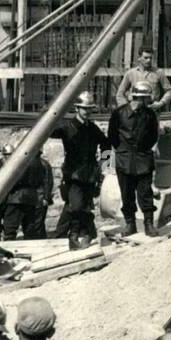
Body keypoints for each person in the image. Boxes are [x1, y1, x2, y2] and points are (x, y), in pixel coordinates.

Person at [51, 91, 108, 250]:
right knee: (76, 206)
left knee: (82, 206)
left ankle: (80, 235)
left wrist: (103, 164)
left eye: (90, 109)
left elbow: (106, 145)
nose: (87, 112)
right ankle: (77, 234)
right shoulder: (67, 127)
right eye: (84, 108)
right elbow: (49, 129)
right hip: (73, 175)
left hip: (90, 175)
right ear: (77, 108)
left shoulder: (93, 128)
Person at [107, 80, 160, 237]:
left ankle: (149, 224)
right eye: (146, 98)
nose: (148, 101)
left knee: (145, 193)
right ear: (139, 98)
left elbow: (153, 136)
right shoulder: (119, 113)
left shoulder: (149, 115)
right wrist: (123, 150)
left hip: (143, 159)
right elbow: (112, 136)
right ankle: (130, 224)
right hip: (124, 160)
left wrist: (141, 149)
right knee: (127, 194)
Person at [1, 151, 53, 241]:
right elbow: (44, 180)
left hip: (16, 196)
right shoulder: (40, 163)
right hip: (32, 196)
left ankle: (8, 247)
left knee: (10, 227)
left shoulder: (20, 162)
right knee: (30, 228)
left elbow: (15, 180)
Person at [115, 47, 171, 111]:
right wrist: (126, 109)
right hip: (135, 111)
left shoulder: (158, 72)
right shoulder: (130, 73)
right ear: (139, 58)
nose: (149, 60)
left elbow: (169, 90)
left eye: (150, 58)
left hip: (152, 111)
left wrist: (161, 103)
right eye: (146, 58)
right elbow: (120, 94)